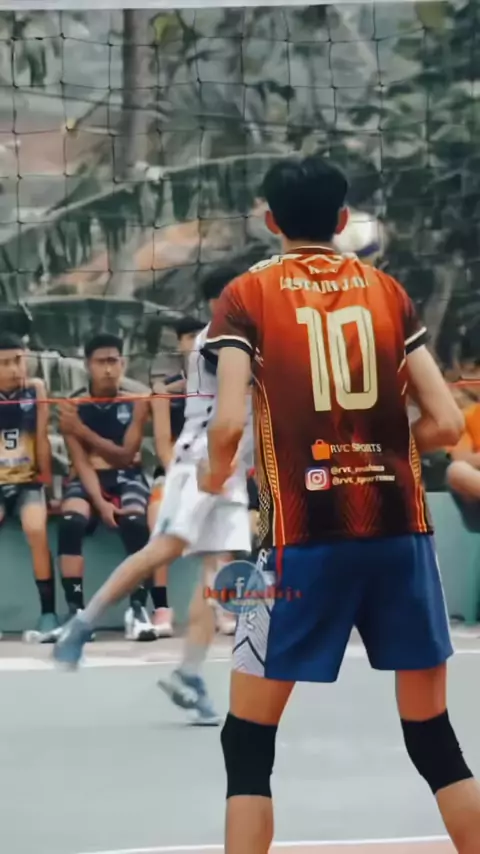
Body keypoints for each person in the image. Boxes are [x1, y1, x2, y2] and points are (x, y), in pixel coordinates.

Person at [200, 155, 480, 854]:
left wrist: (213, 477)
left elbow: (227, 425)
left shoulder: (245, 294)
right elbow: (447, 422)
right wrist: (384, 451)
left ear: (271, 220)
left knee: (247, 742)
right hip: (400, 534)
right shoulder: (387, 290)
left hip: (301, 538)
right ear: (344, 219)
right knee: (433, 736)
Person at [52, 265, 254, 725]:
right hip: (201, 463)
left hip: (229, 470)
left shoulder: (242, 337)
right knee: (162, 549)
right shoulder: (219, 339)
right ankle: (82, 624)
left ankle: (189, 674)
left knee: (215, 574)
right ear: (219, 301)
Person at [53, 333, 156, 642]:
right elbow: (81, 463)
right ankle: (76, 612)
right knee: (70, 522)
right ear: (88, 365)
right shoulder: (72, 405)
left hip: (127, 476)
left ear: (123, 363)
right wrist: (100, 502)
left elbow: (125, 455)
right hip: (88, 479)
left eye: (114, 361)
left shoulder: (137, 402)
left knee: (136, 522)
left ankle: (137, 609)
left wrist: (82, 431)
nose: (109, 369)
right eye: (101, 362)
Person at [149, 316, 235, 637]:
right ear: (180, 344)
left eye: (201, 335)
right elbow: (163, 445)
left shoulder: (227, 384)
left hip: (214, 472)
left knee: (222, 517)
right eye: (189, 336)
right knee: (158, 519)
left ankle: (223, 605)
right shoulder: (164, 390)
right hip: (174, 473)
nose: (196, 341)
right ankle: (161, 608)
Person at [0, 333, 59, 640]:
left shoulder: (35, 389)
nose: (14, 369)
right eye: (5, 363)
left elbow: (43, 439)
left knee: (36, 529)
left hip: (28, 481)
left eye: (18, 360)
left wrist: (47, 486)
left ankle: (48, 613)